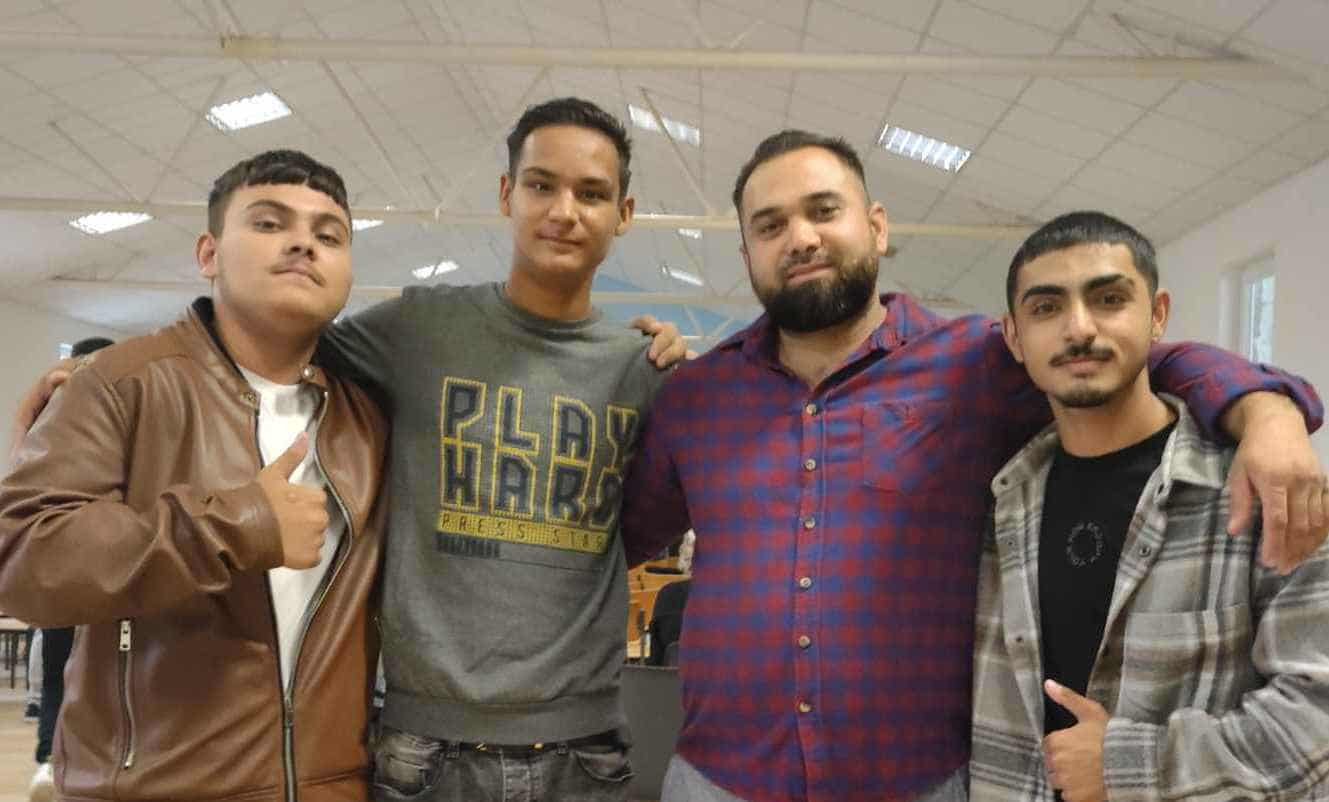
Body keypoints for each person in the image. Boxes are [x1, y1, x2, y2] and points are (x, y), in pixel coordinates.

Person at [618, 130, 1327, 802]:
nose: (799, 238)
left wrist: (1265, 410)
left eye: (822, 211)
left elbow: (1125, 360)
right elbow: (618, 537)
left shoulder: (975, 364)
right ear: (746, 254)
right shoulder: (695, 396)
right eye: (769, 226)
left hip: (918, 781)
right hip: (720, 779)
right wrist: (614, 375)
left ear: (876, 227)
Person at [314, 97, 683, 802]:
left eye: (592, 193)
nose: (564, 210)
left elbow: (648, 519)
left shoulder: (646, 370)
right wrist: (103, 374)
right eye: (542, 184)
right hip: (425, 753)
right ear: (507, 194)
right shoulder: (419, 328)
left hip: (586, 756)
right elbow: (271, 347)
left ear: (624, 215)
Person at [0, 150, 389, 802]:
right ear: (208, 254)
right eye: (269, 224)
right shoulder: (121, 384)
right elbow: (22, 561)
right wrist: (237, 524)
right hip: (158, 785)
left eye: (329, 236)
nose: (303, 242)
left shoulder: (369, 415)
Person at [970, 211, 1329, 802]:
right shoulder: (999, 501)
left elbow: (1315, 720)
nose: (1078, 329)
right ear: (1014, 336)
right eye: (1046, 308)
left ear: (1157, 315)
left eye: (1109, 298)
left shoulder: (1258, 491)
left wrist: (1128, 765)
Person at [26, 335, 113, 802]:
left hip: (102, 564)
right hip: (66, 564)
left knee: (94, 668)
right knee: (63, 664)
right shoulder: (51, 409)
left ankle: (71, 762)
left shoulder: (124, 410)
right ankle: (50, 762)